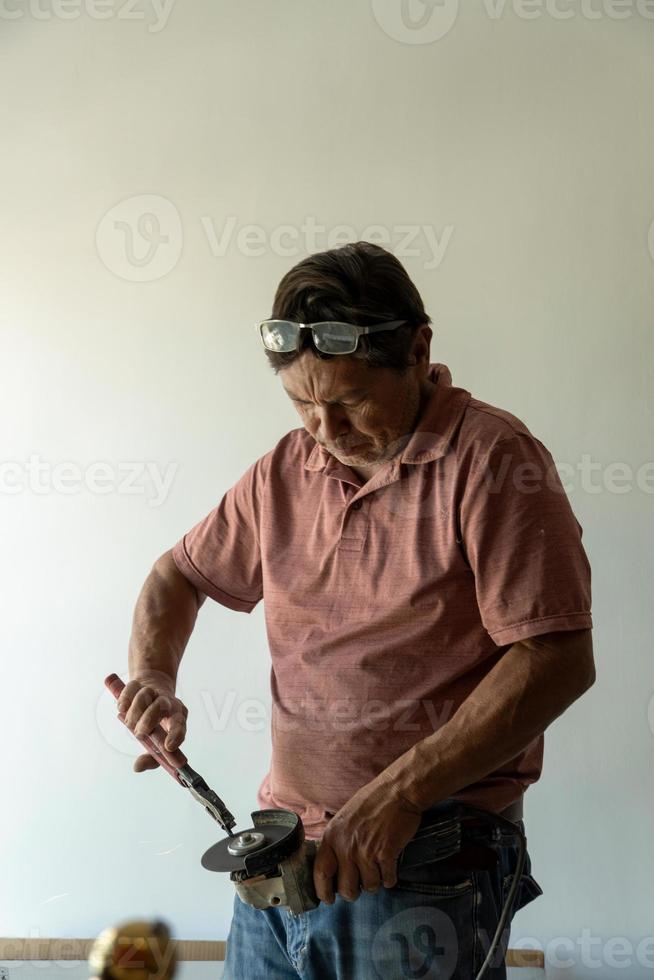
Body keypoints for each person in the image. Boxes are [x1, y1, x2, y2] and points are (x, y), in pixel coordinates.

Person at [116, 241, 595, 979]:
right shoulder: (286, 468)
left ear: (419, 348)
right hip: (281, 860)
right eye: (302, 402)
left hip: (427, 857)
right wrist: (154, 676)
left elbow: (557, 658)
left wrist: (399, 794)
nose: (324, 429)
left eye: (348, 400)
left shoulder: (493, 460)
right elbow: (176, 575)